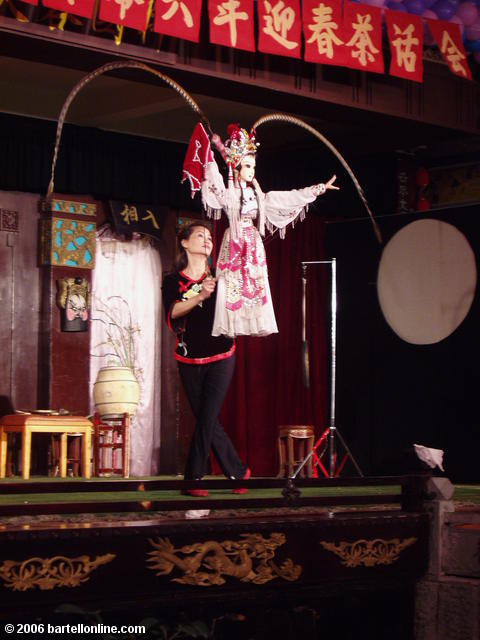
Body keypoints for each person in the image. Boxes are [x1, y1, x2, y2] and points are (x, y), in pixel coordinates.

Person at [198, 124, 340, 338]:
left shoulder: (260, 197)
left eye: (253, 166)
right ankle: (231, 322)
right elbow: (214, 178)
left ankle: (250, 319)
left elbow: (289, 197)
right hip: (236, 241)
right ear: (236, 168)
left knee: (255, 284)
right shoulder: (229, 195)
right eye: (246, 166)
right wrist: (210, 149)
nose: (251, 171)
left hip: (252, 244)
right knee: (233, 285)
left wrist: (317, 189)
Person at [162, 221, 250, 497]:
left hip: (223, 353)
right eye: (200, 235)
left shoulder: (222, 277)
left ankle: (193, 478)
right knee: (205, 417)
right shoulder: (172, 280)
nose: (207, 239)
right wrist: (201, 293)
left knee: (208, 415)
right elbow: (174, 311)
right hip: (188, 357)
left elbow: (239, 307)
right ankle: (238, 471)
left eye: (209, 236)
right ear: (185, 243)